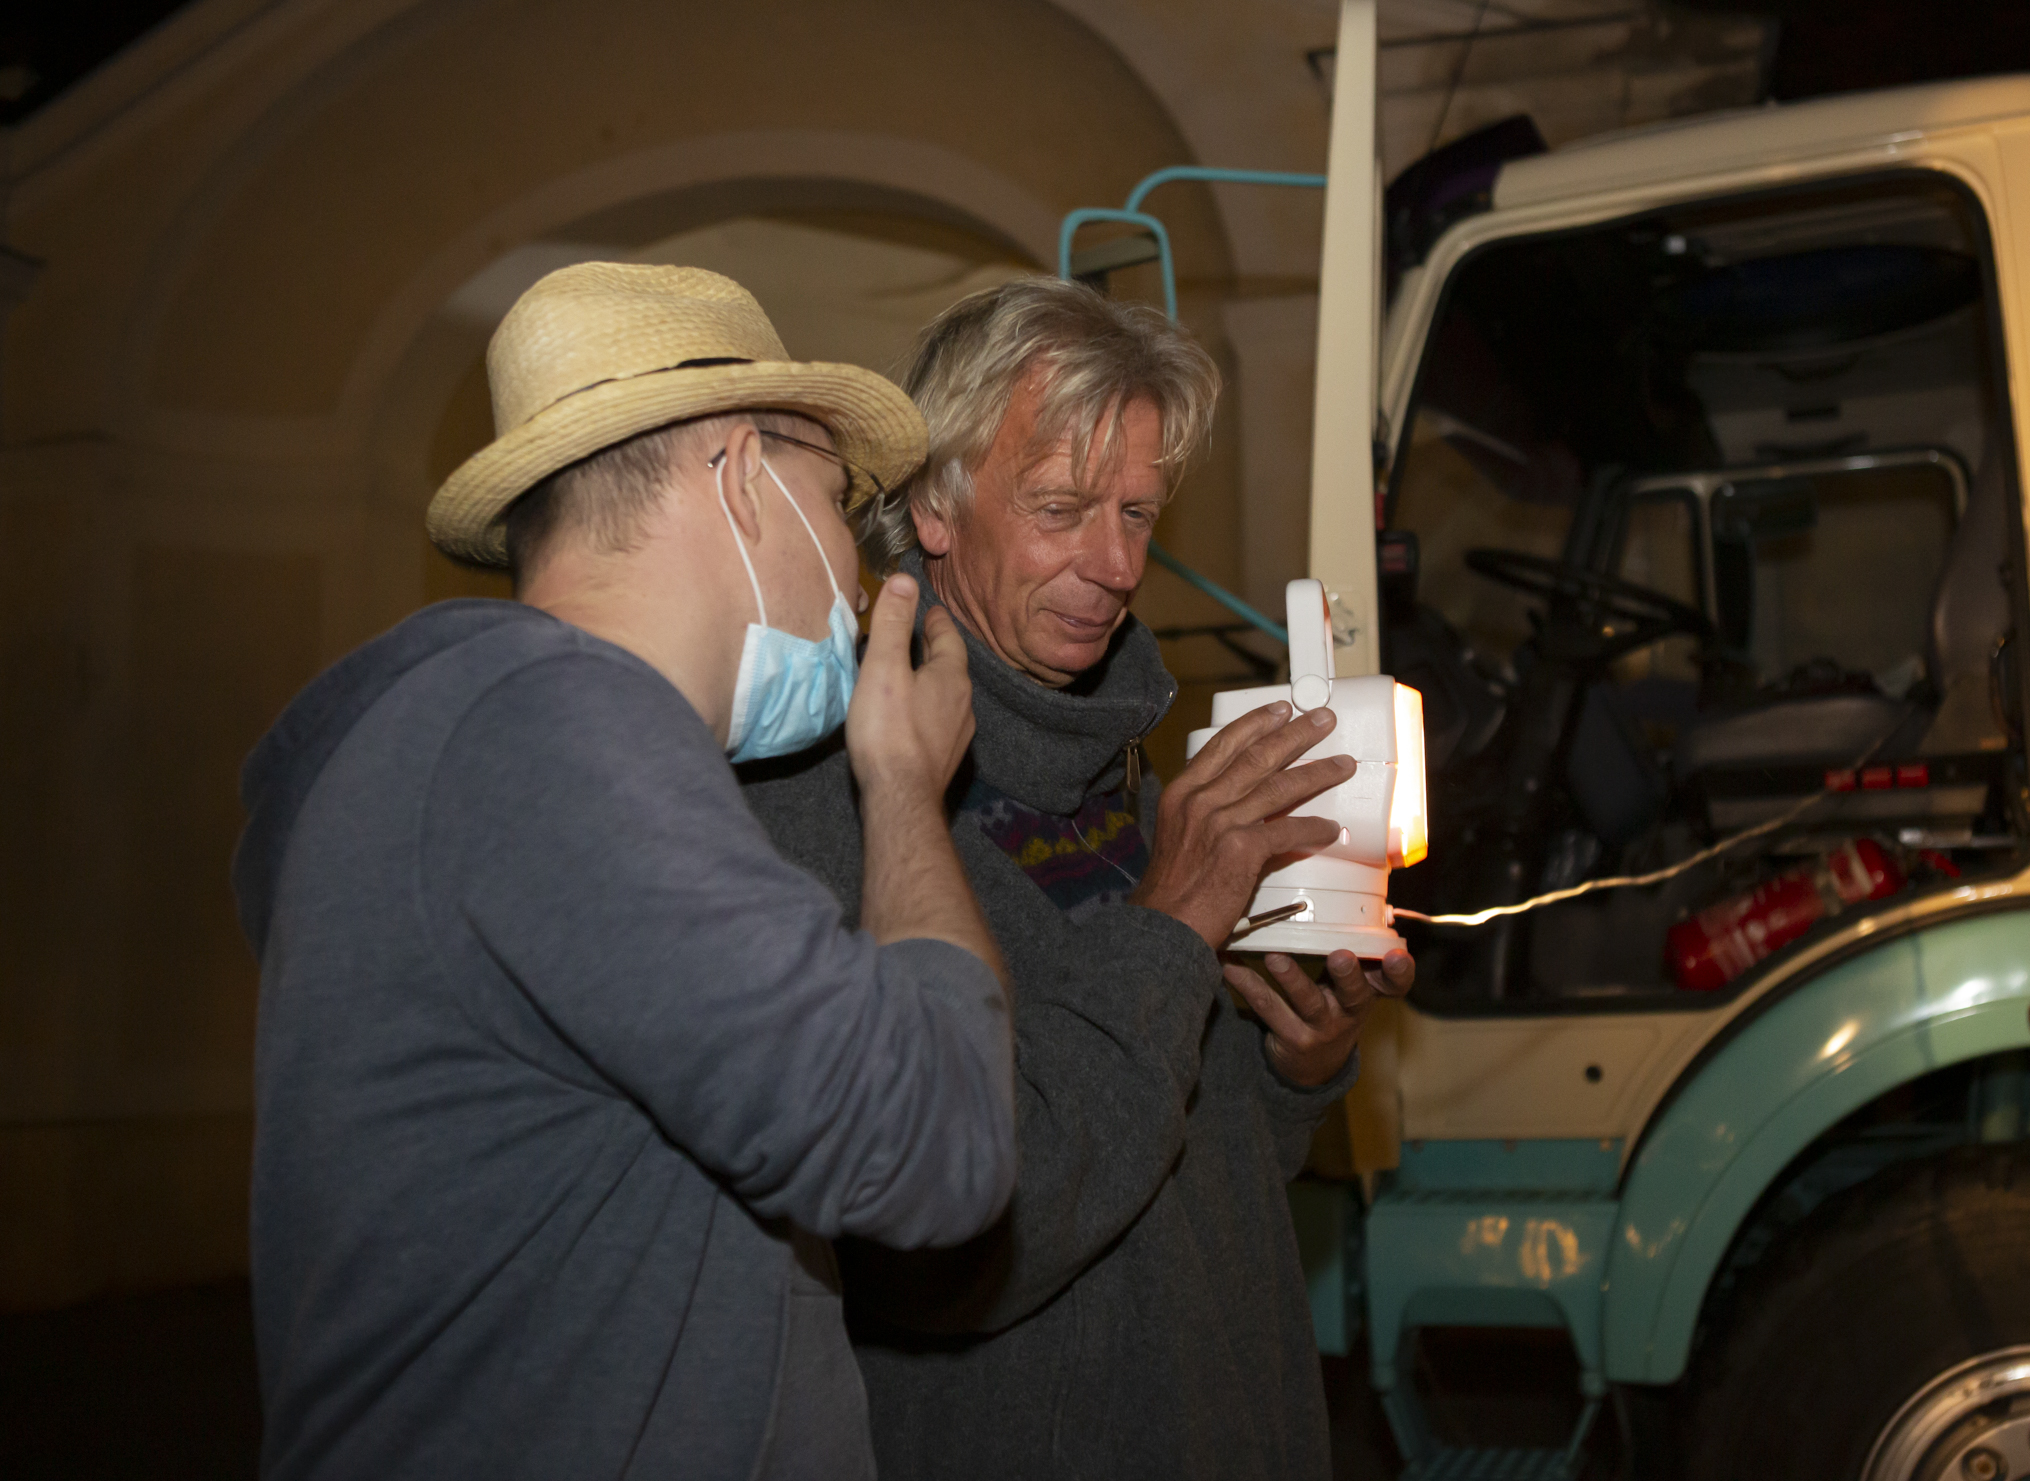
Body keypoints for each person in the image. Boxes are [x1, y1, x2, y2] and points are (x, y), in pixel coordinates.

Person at [233, 262, 1017, 1481]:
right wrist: (905, 787)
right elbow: (935, 1143)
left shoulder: (490, 738)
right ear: (745, 477)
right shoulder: (552, 730)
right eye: (836, 495)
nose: (859, 577)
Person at [741, 276, 1414, 1480]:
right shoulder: (832, 809)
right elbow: (947, 1253)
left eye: (1138, 513)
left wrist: (1293, 1067)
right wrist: (1174, 922)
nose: (1115, 564)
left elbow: (1181, 1174)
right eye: (1059, 507)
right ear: (934, 505)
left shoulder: (1133, 788)